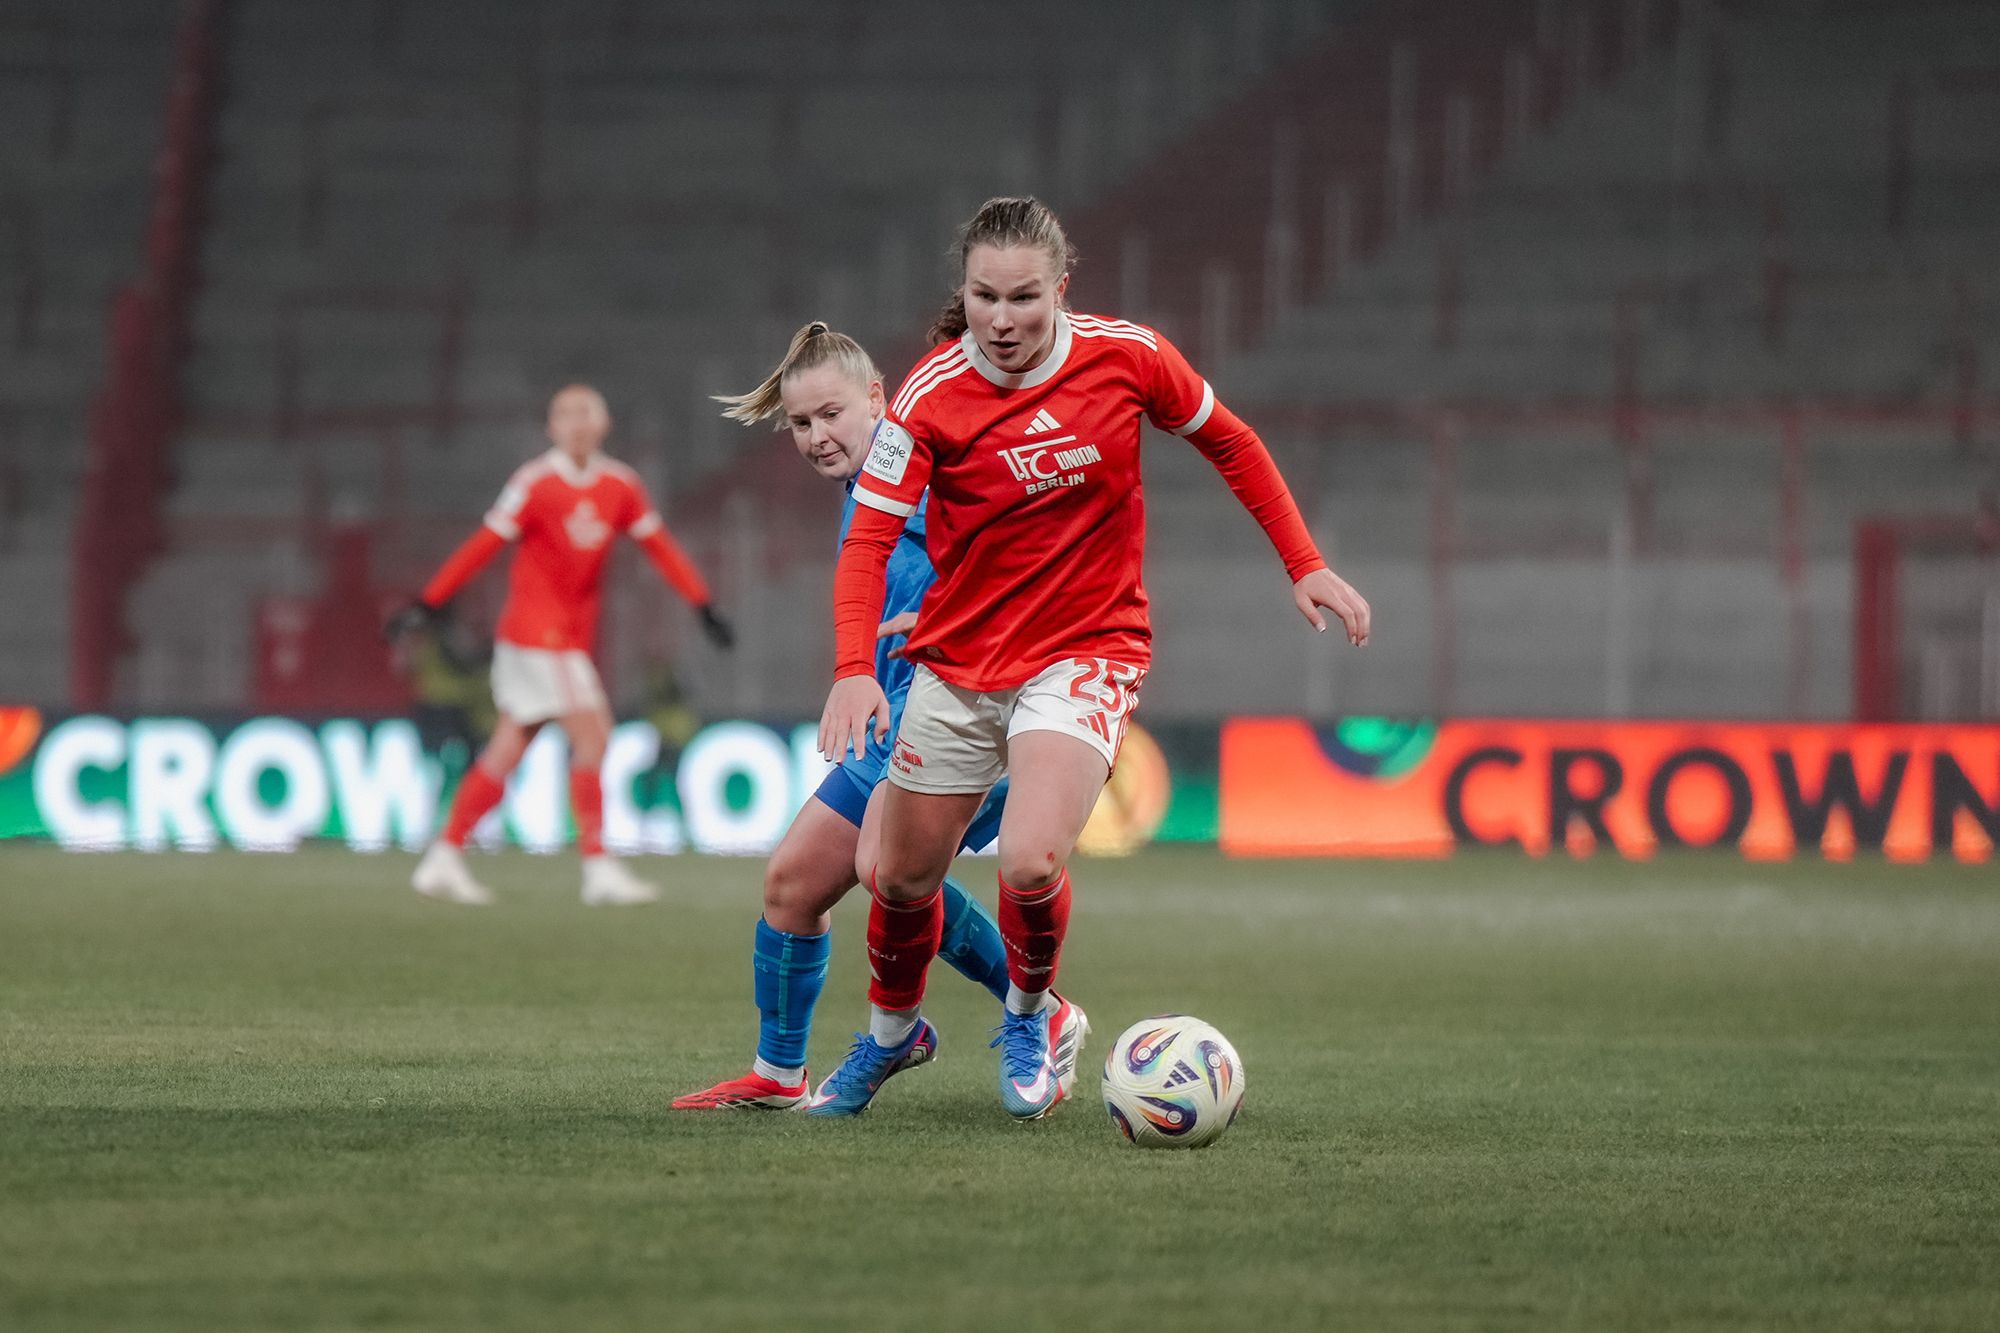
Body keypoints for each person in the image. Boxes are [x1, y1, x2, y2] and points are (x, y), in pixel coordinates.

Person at [816, 197, 1371, 1120]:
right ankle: (889, 1036)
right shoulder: (928, 395)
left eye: (1023, 297)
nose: (1001, 319)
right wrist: (851, 667)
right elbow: (868, 538)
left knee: (1030, 859)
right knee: (899, 876)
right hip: (960, 657)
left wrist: (1303, 561)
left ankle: (1029, 1016)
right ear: (964, 291)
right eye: (984, 296)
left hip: (1087, 647)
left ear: (1061, 288)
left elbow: (1230, 440)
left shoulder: (1130, 357)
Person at [674, 321, 1084, 1112]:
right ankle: (778, 1074)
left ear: (877, 397)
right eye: (801, 422)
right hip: (896, 718)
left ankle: (1032, 1010)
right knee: (792, 884)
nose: (816, 436)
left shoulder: (925, 472)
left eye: (831, 414)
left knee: (886, 868)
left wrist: (946, 613)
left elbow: (1025, 554)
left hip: (975, 705)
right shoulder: (868, 485)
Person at [386, 384, 734, 907]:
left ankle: (444, 855)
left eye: (585, 412)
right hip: (537, 637)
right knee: (595, 736)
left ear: (604, 422)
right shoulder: (535, 483)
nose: (576, 422)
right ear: (551, 428)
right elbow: (485, 543)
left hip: (565, 641)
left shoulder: (621, 485)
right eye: (565, 414)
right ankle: (597, 867)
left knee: (508, 747)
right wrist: (429, 601)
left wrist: (703, 604)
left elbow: (659, 546)